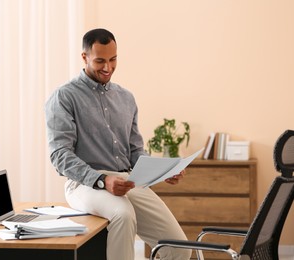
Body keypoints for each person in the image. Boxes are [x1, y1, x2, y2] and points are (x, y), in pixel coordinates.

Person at [45, 28, 191, 260]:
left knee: (179, 248)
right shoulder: (64, 97)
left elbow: (135, 151)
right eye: (100, 61)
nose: (108, 68)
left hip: (126, 181)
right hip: (84, 183)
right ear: (84, 57)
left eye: (113, 60)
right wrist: (102, 180)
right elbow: (60, 155)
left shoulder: (126, 98)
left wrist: (162, 172)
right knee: (122, 214)